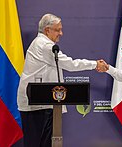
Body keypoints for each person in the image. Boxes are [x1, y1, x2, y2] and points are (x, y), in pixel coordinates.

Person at [17, 13, 105, 147]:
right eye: (58, 30)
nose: (61, 33)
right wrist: (94, 64)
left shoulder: (43, 43)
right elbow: (70, 64)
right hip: (35, 104)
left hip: (44, 102)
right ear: (47, 30)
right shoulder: (44, 45)